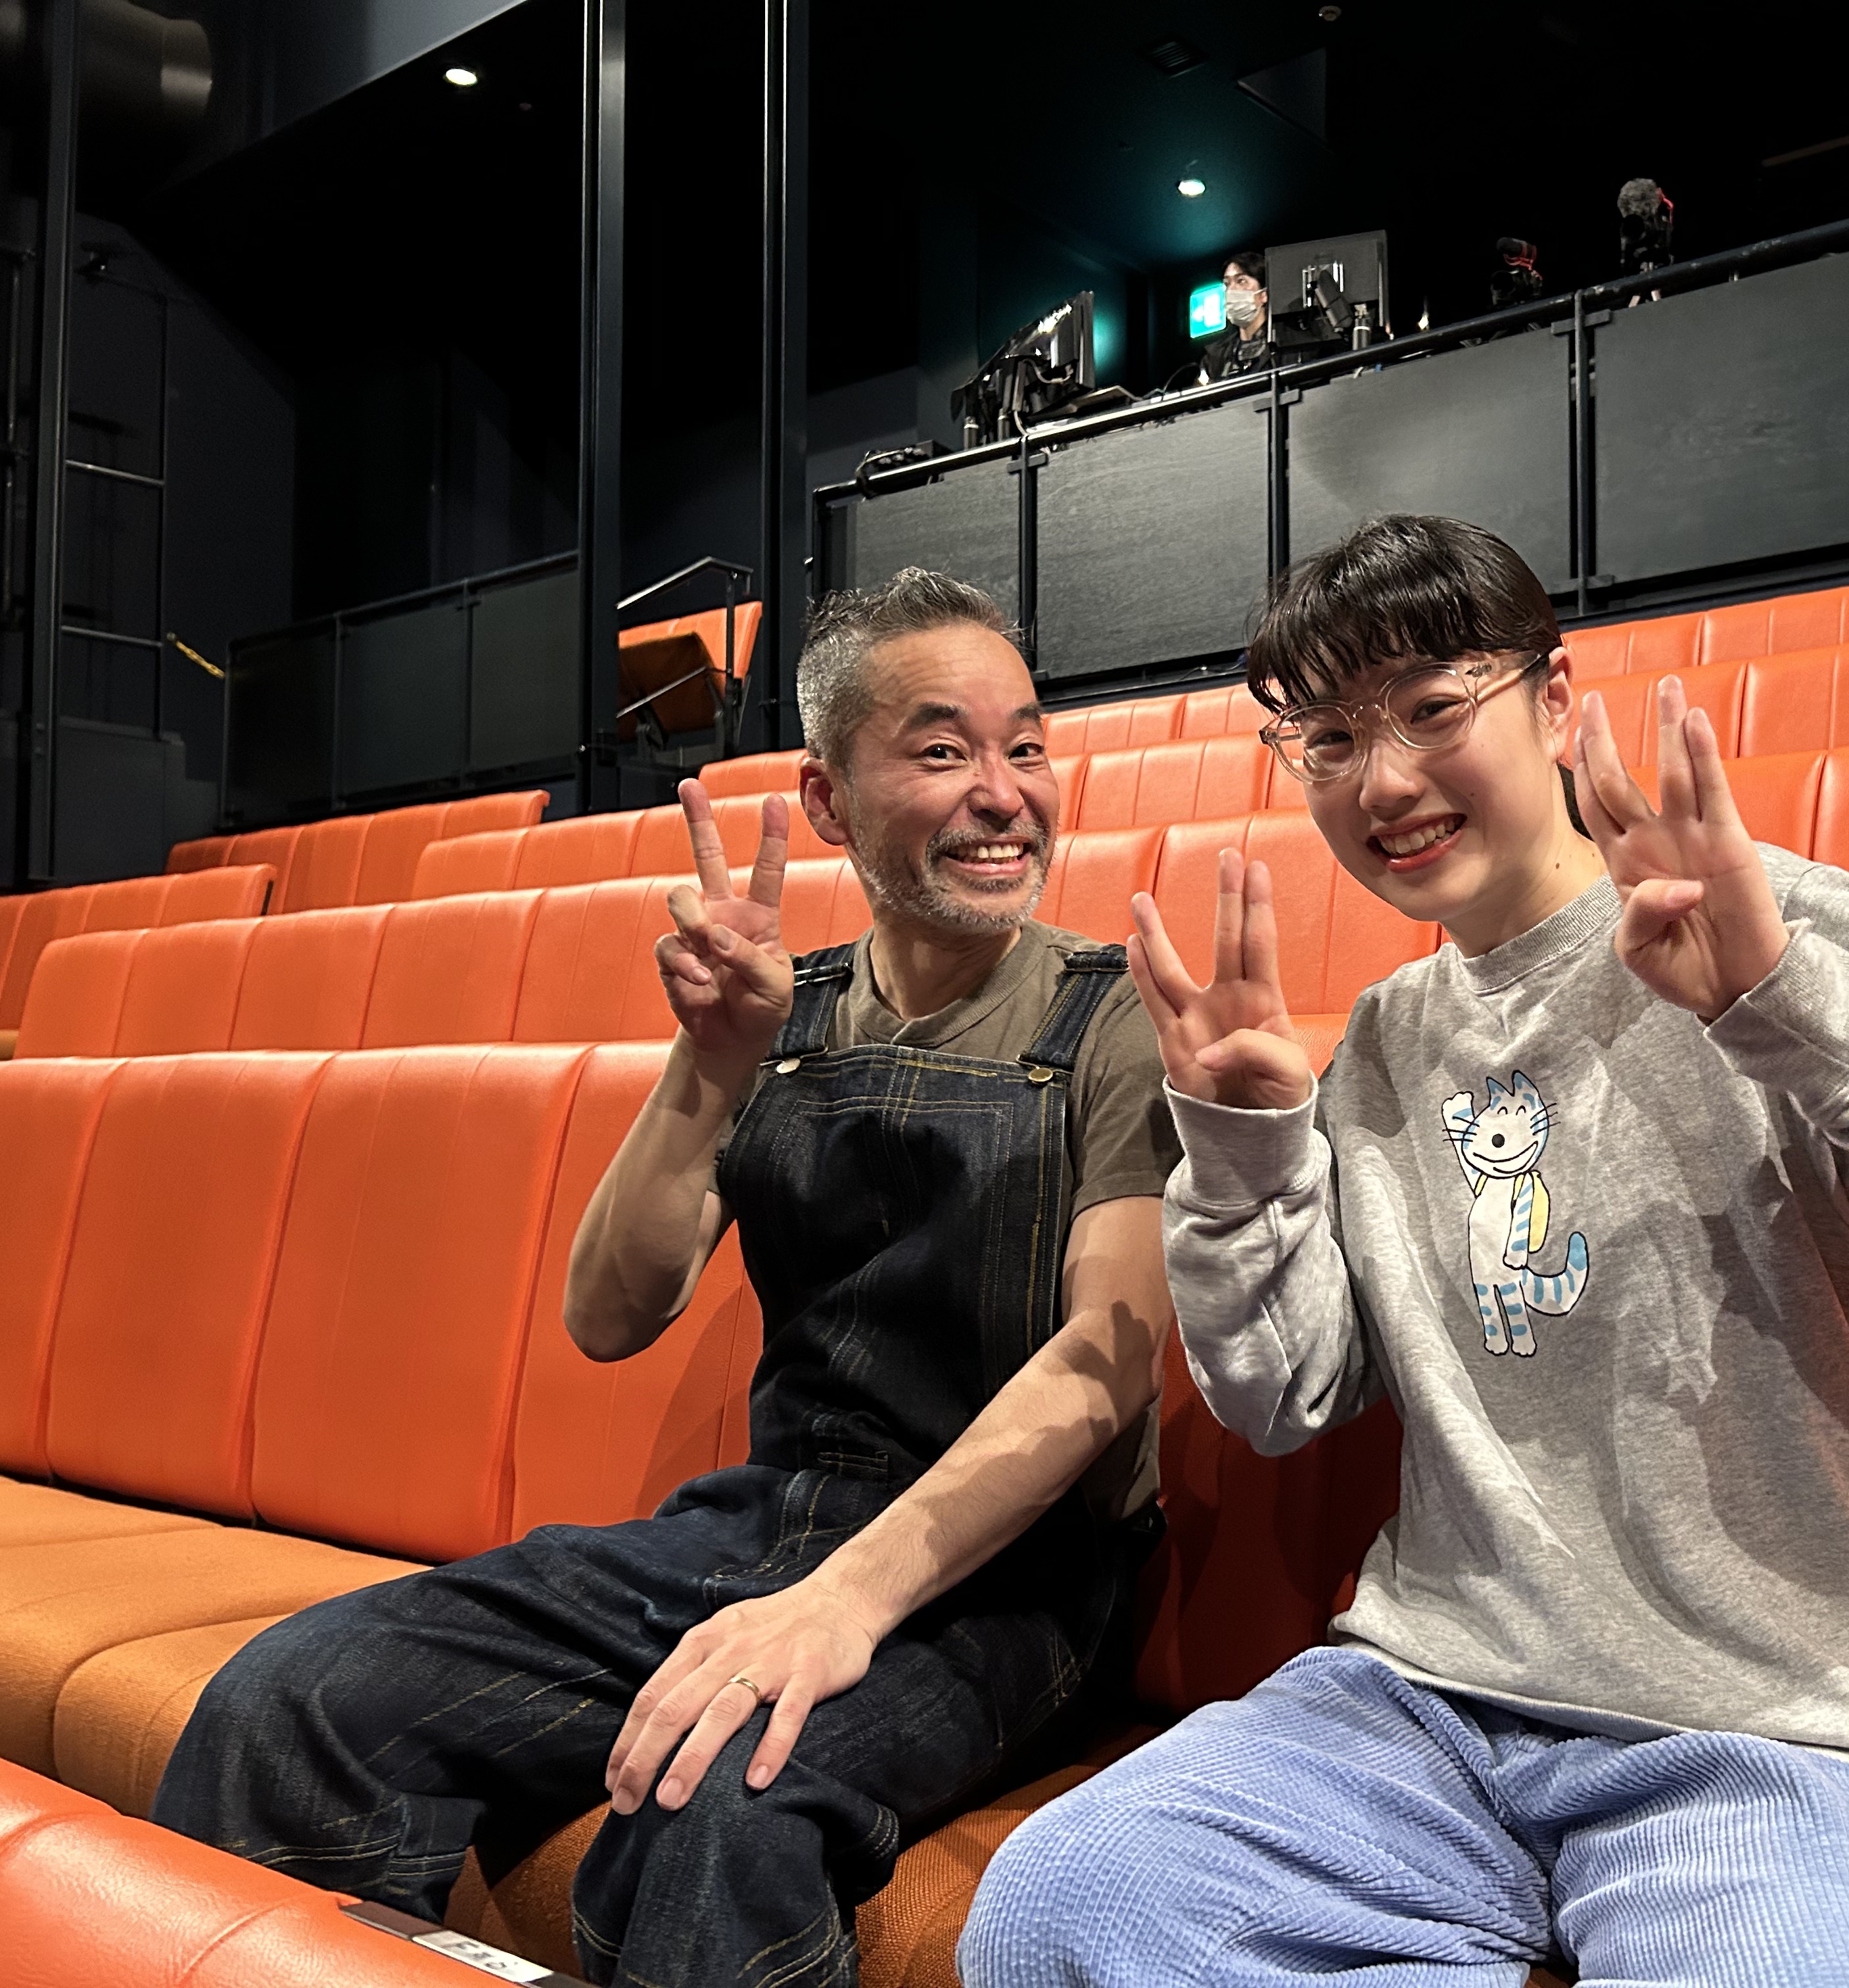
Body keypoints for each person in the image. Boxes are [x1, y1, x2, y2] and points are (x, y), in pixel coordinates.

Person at [961, 516, 1849, 1986]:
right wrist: (1242, 1150)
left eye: (1430, 707)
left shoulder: (1764, 926)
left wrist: (1783, 1001)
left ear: (1551, 700)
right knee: (1065, 1908)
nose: (1384, 781)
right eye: (1329, 740)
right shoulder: (1385, 1045)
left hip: (1768, 1735)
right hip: (1424, 1707)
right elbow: (1281, 1395)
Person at [156, 570, 1181, 1988]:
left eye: (1026, 747)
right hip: (762, 1523)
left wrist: (846, 1601)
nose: (1004, 795)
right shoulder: (772, 1005)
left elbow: (1103, 1363)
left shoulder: (1114, 1014)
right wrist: (710, 1064)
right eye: (944, 750)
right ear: (827, 799)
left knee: (721, 1806)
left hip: (1018, 1572)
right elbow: (609, 1311)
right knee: (292, 1701)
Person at [1190, 248, 1274, 384]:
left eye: (1241, 281)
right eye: (1227, 284)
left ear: (1264, 294)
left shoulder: (1287, 344)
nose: (1231, 290)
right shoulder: (1215, 358)